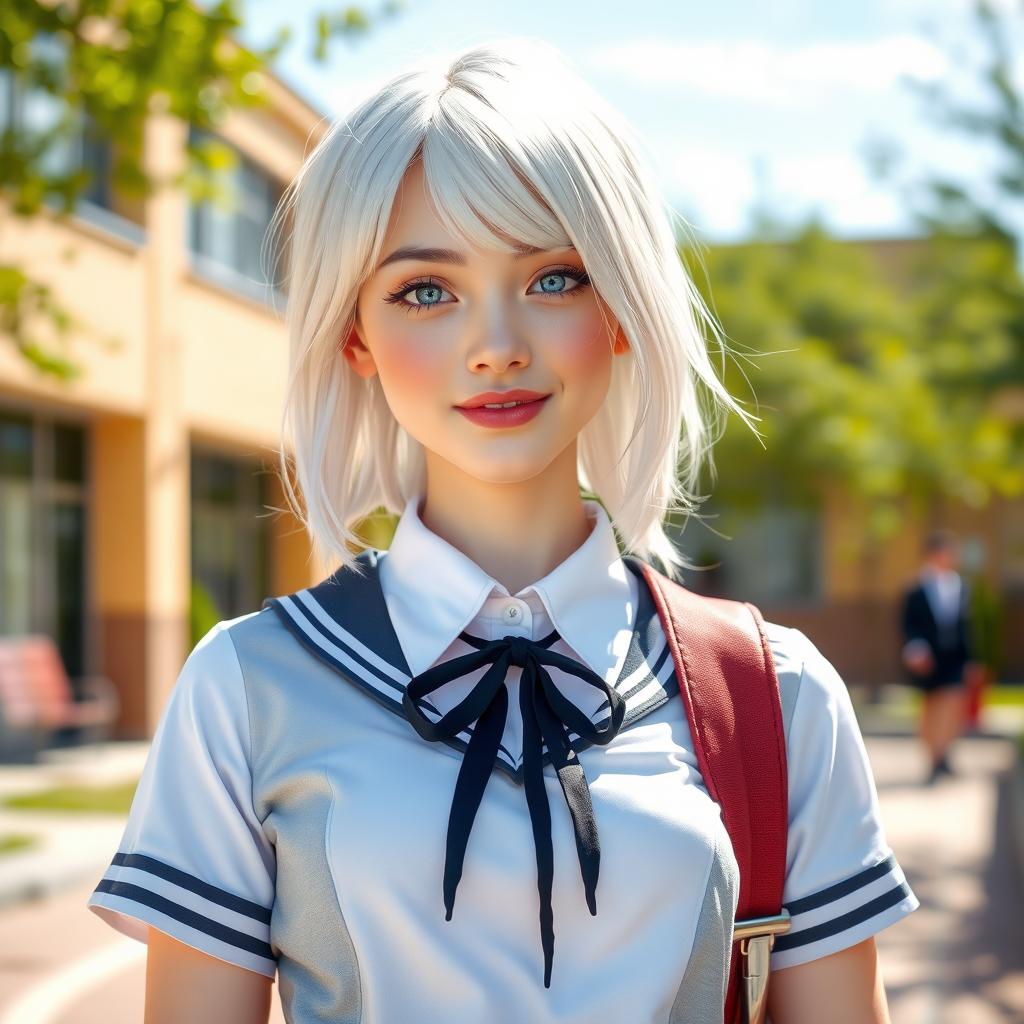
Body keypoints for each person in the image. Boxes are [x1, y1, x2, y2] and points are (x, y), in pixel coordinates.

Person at [85, 38, 918, 1023]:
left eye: (553, 277)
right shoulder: (246, 687)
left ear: (618, 304)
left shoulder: (774, 694)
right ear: (354, 333)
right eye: (424, 291)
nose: (494, 347)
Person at [900, 529, 978, 785]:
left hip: (954, 657)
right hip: (929, 660)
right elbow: (909, 626)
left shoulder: (960, 586)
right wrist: (916, 650)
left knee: (953, 705)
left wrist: (971, 660)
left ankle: (944, 754)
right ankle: (933, 757)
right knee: (932, 708)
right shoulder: (915, 589)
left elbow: (965, 626)